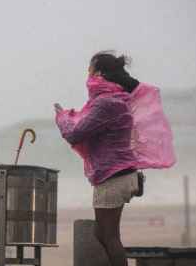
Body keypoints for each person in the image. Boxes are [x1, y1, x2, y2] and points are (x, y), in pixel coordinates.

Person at [55, 51, 174, 266]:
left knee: (109, 237)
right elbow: (88, 123)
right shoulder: (115, 100)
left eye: (90, 69)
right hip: (120, 174)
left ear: (99, 73)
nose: (87, 74)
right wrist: (70, 116)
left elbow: (75, 133)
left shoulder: (107, 103)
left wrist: (62, 118)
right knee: (103, 234)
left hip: (113, 177)